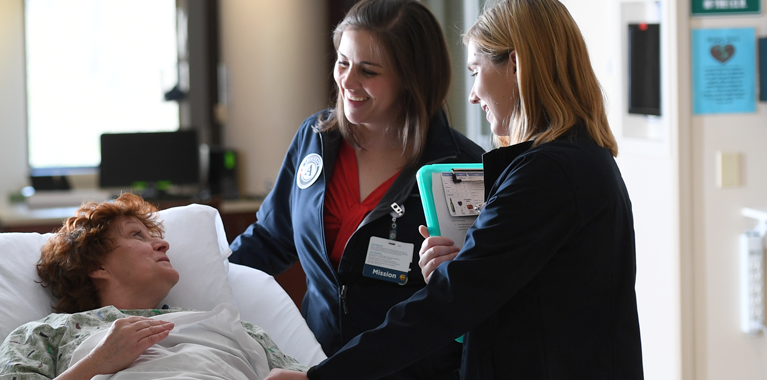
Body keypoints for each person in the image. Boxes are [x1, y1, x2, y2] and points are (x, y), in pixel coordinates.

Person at [264, 0, 644, 379]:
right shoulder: (577, 160)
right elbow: (521, 289)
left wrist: (324, 377)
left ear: (516, 66)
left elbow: (451, 303)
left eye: (476, 72)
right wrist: (465, 264)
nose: (473, 94)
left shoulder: (548, 174)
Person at [227, 0, 486, 378]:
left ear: (412, 80)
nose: (347, 82)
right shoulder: (315, 139)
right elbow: (271, 237)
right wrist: (202, 284)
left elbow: (471, 298)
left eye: (368, 71)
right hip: (315, 362)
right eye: (342, 62)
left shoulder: (461, 169)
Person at [0, 193, 307, 380]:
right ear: (97, 266)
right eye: (137, 235)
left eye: (155, 236)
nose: (163, 245)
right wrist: (96, 363)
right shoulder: (48, 334)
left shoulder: (236, 330)